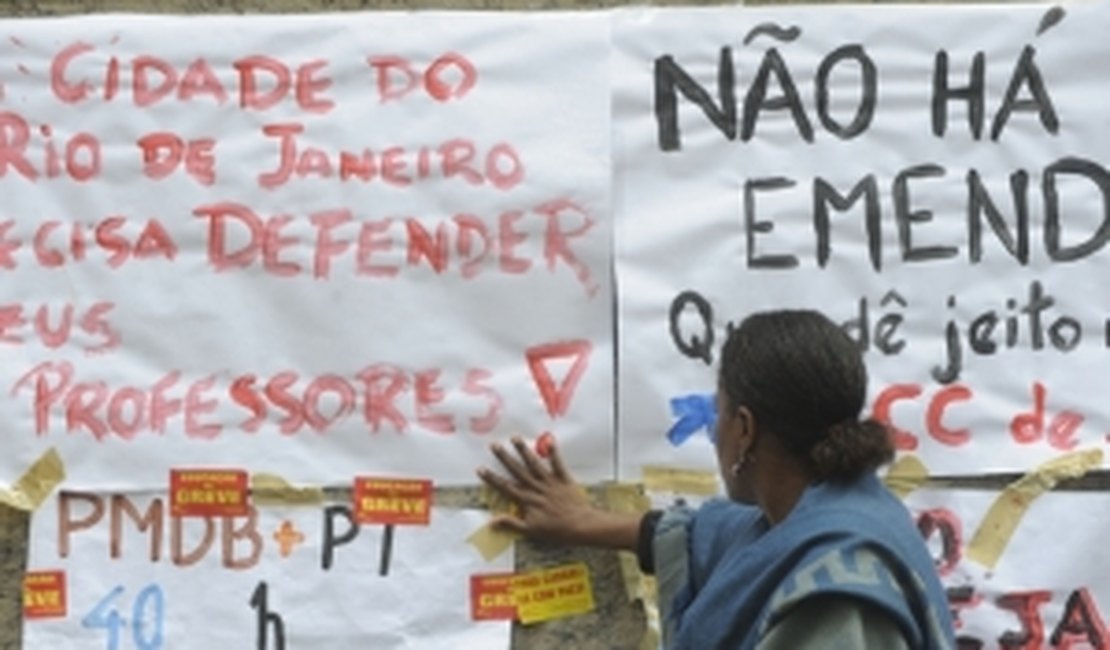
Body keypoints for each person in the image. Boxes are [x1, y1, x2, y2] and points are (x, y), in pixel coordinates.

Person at [477, 309, 956, 649]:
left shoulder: (836, 597)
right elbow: (700, 533)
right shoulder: (834, 512)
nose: (713, 434)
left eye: (718, 413)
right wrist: (582, 521)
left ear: (744, 429)